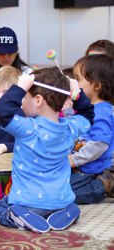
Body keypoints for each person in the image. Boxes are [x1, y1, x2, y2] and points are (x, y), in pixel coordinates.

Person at [0, 67, 94, 233]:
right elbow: (88, 114)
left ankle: (19, 216)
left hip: (28, 204)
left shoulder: (27, 129)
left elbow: (1, 111)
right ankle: (70, 212)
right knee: (69, 203)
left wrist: (20, 87)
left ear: (38, 100)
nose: (22, 101)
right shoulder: (71, 128)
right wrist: (77, 91)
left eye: (25, 97)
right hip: (61, 202)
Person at [69, 54, 114, 203]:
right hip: (81, 166)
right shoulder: (89, 108)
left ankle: (103, 184)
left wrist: (74, 160)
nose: (75, 83)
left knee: (66, 194)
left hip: (91, 170)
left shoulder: (102, 112)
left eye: (78, 79)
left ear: (97, 85)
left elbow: (99, 144)